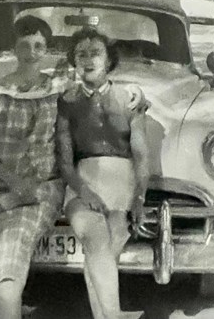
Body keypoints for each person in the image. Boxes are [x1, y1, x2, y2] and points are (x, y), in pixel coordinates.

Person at [0, 15, 65, 319]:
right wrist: (12, 181)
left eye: (39, 45)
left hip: (41, 188)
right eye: (25, 44)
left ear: (46, 50)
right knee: (11, 237)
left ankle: (5, 297)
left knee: (15, 237)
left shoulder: (56, 88)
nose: (32, 51)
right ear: (14, 48)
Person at [56, 27, 149, 319]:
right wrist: (85, 192)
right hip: (82, 182)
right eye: (80, 54)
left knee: (112, 240)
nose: (87, 59)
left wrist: (140, 199)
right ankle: (115, 316)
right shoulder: (66, 102)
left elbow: (142, 156)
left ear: (108, 60)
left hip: (122, 183)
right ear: (73, 61)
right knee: (96, 238)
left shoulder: (129, 99)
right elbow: (65, 161)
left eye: (95, 52)